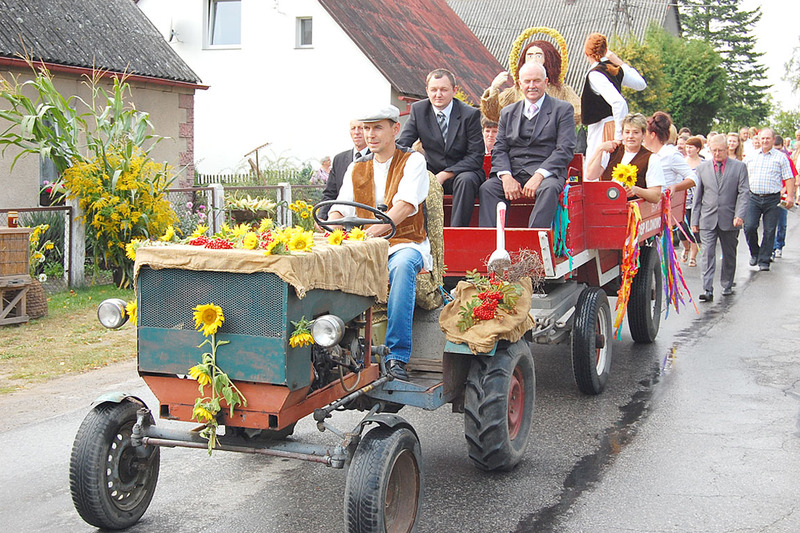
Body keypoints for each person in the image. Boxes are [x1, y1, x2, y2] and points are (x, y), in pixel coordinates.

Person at [329, 105, 430, 381]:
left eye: (377, 128)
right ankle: (332, 349)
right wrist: (333, 225)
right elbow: (339, 208)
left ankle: (397, 356)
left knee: (403, 267)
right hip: (364, 245)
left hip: (404, 242)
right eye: (366, 128)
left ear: (395, 129)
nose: (370, 134)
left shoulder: (413, 161)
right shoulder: (356, 166)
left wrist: (369, 235)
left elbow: (404, 206)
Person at [478, 62, 576, 228]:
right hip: (514, 171)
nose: (532, 86)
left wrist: (539, 176)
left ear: (545, 82)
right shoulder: (507, 112)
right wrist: (506, 177)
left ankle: (534, 240)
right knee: (488, 188)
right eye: (527, 81)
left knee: (549, 189)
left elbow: (564, 149)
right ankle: (491, 241)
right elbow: (500, 148)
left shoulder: (562, 110)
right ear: (519, 84)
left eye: (537, 81)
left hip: (547, 174)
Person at [397, 68, 483, 227]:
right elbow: (404, 144)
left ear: (454, 90)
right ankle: (419, 231)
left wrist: (444, 175)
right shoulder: (419, 110)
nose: (438, 94)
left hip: (462, 172)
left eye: (443, 90)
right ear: (427, 91)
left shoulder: (470, 114)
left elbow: (475, 156)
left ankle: (457, 231)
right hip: (431, 171)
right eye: (433, 90)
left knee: (466, 180)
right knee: (415, 177)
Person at [691, 134, 750, 301]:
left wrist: (739, 215)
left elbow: (744, 193)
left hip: (730, 218)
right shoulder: (702, 168)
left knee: (729, 253)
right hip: (707, 218)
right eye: (714, 150)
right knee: (707, 254)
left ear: (727, 149)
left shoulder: (739, 167)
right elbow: (698, 197)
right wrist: (695, 220)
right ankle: (707, 288)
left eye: (720, 150)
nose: (717, 154)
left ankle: (727, 284)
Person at [581, 33, 647, 167]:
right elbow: (641, 84)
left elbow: (619, 102)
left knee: (596, 168)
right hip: (608, 124)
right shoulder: (614, 69)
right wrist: (620, 63)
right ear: (606, 50)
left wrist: (618, 136)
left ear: (586, 53)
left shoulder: (595, 74)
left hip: (603, 128)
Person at [481, 37, 581, 125]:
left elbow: (578, 113)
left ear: (549, 59)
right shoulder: (515, 91)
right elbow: (495, 114)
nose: (534, 59)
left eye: (538, 56)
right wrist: (494, 88)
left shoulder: (563, 91)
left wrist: (552, 121)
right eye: (529, 56)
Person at [743, 128, 796, 271]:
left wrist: (790, 196)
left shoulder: (781, 157)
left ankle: (764, 260)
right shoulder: (751, 156)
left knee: (770, 229)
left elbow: (789, 177)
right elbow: (741, 175)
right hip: (753, 197)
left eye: (768, 138)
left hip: (772, 198)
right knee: (749, 227)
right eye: (763, 138)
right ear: (759, 139)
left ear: (773, 140)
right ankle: (755, 253)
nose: (765, 141)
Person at [585, 112, 665, 204]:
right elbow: (591, 175)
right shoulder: (612, 151)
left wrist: (637, 190)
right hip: (605, 206)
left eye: (636, 132)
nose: (630, 136)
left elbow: (656, 196)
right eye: (627, 132)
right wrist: (600, 149)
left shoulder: (651, 158)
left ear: (643, 135)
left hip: (631, 210)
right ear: (622, 134)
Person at [318, 120, 369, 220]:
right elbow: (330, 193)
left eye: (361, 128)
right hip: (341, 221)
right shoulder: (339, 159)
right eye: (353, 128)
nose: (357, 132)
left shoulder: (378, 158)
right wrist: (321, 217)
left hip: (370, 221)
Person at [772, 135, 798, 259]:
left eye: (779, 149)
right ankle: (771, 248)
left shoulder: (786, 159)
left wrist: (786, 191)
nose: (777, 151)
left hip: (783, 196)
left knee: (781, 223)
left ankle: (779, 245)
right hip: (771, 195)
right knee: (770, 223)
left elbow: (793, 177)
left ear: (783, 147)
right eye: (775, 148)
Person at [681, 136, 704, 266]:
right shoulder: (682, 162)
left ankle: (693, 257)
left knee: (694, 229)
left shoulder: (703, 164)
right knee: (682, 231)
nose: (688, 150)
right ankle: (686, 248)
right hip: (684, 201)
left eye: (691, 147)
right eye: (687, 147)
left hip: (697, 201)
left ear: (698, 149)